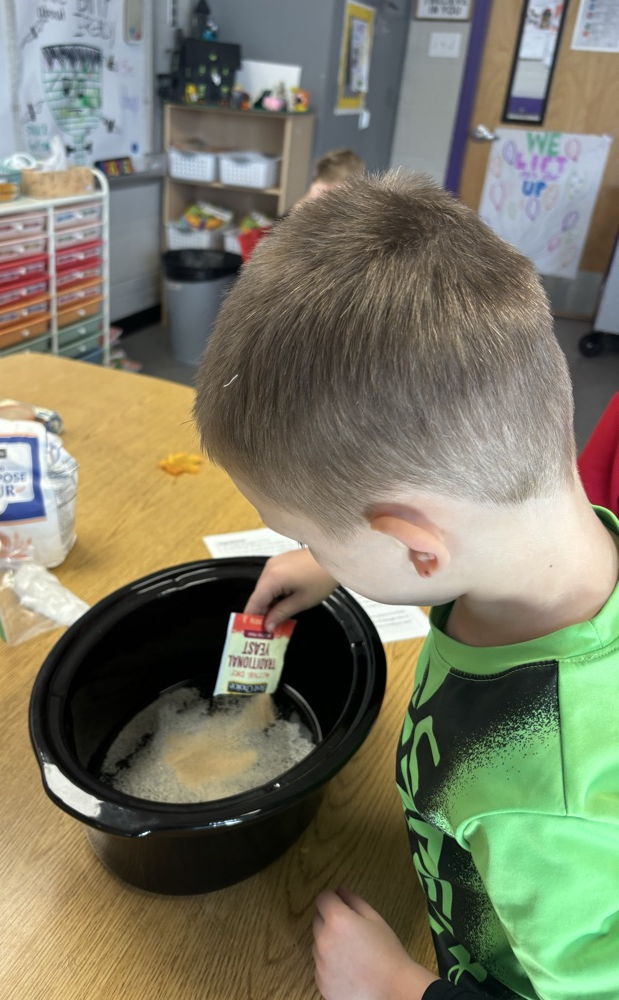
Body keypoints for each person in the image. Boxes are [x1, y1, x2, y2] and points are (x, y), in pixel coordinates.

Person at [193, 170, 619, 999]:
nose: (310, 549)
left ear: (417, 547)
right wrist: (332, 560)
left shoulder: (554, 805)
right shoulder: (523, 558)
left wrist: (395, 988)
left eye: (312, 533)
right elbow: (463, 533)